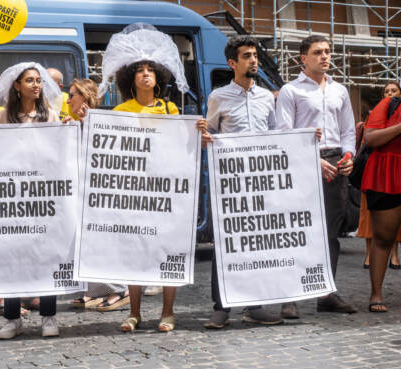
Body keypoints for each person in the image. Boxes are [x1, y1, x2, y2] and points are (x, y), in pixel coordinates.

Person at [98, 23, 206, 332]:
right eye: (139, 70)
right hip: (134, 192)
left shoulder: (171, 109)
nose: (145, 73)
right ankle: (134, 313)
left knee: (167, 250)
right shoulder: (120, 110)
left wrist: (196, 131)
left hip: (165, 193)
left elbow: (184, 149)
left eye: (150, 69)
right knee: (134, 253)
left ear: (158, 77)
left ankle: (167, 313)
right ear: (130, 78)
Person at [0, 62, 62, 339]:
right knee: (11, 255)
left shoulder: (52, 116)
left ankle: (48, 316)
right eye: (30, 80)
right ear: (17, 86)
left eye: (38, 81)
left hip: (43, 197)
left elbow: (61, 152)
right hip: (14, 198)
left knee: (46, 257)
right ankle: (12, 318)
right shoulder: (3, 117)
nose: (36, 85)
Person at [201, 36, 284, 329]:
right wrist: (204, 136)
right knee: (225, 244)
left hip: (260, 182)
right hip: (229, 183)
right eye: (247, 56)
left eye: (255, 56)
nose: (254, 60)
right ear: (233, 63)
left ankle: (254, 306)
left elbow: (275, 136)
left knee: (257, 243)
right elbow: (207, 135)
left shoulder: (266, 98)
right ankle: (221, 307)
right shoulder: (218, 97)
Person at [275, 35, 357, 318]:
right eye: (318, 52)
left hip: (336, 163)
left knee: (330, 232)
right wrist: (313, 160)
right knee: (297, 230)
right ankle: (291, 296)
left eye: (327, 52)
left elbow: (347, 130)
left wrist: (349, 156)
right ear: (303, 58)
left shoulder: (340, 91)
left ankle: (326, 293)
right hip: (302, 162)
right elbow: (284, 134)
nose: (325, 56)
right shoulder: (290, 91)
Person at [62, 78, 131, 311]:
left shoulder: (101, 121)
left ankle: (120, 289)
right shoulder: (73, 122)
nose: (68, 99)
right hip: (81, 193)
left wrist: (86, 124)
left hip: (102, 194)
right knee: (85, 241)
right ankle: (94, 290)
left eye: (72, 94)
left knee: (104, 241)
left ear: (84, 97)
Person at [361, 81, 401, 312]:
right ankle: (376, 294)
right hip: (387, 175)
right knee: (384, 238)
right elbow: (372, 138)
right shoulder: (388, 104)